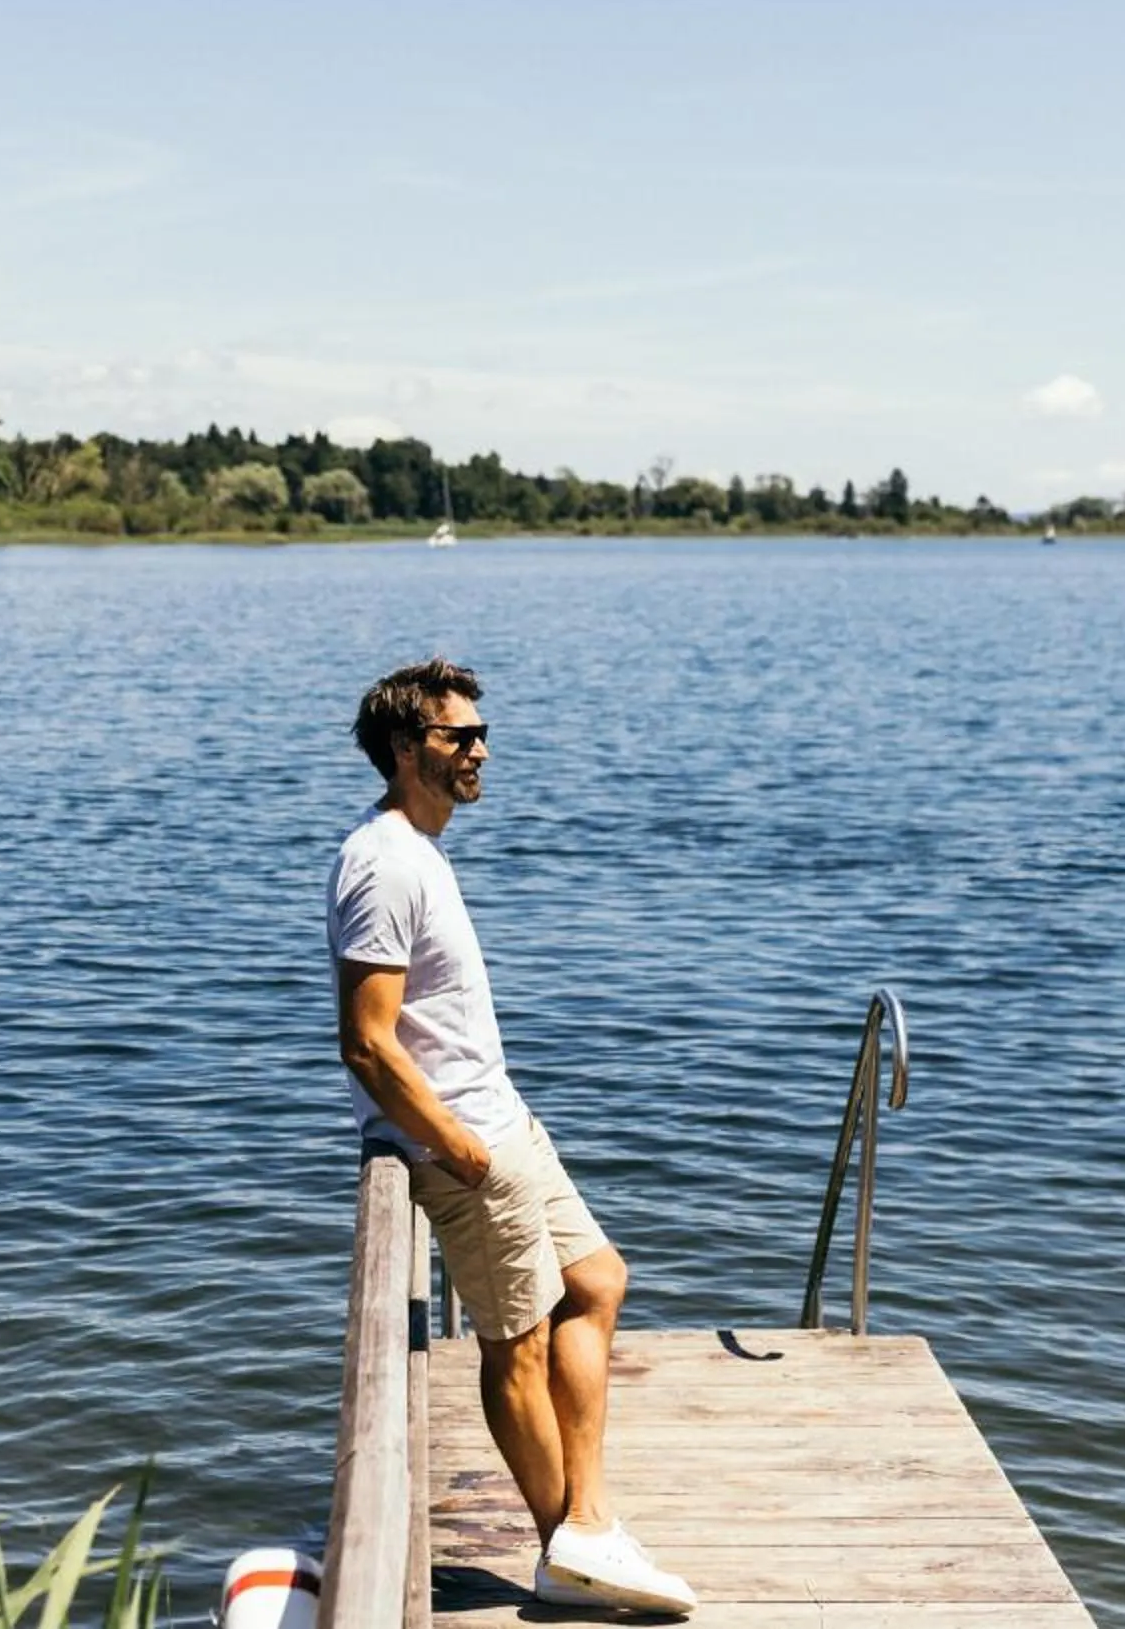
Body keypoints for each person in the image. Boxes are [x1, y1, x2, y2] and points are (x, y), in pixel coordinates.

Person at [329, 658, 697, 1616]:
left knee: (598, 1280)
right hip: (466, 1147)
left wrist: (490, 1130)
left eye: (482, 732)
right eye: (460, 737)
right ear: (409, 749)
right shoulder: (380, 862)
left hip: (502, 1120)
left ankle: (589, 1521)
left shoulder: (421, 848)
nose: (481, 749)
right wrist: (455, 1146)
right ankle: (564, 1552)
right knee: (516, 1345)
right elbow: (367, 1043)